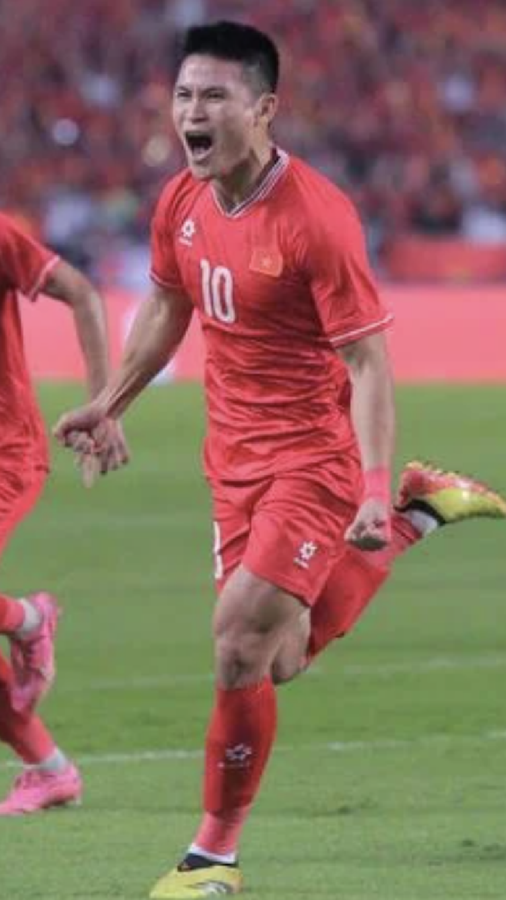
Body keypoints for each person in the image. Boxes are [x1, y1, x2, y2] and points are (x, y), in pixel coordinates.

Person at [53, 21, 506, 898]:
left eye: (214, 97)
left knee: (235, 645)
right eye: (184, 95)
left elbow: (368, 361)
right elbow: (169, 306)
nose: (193, 112)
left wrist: (366, 485)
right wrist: (110, 403)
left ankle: (211, 859)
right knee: (279, 659)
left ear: (263, 110)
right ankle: (421, 511)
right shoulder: (181, 202)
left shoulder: (316, 218)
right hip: (231, 457)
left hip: (312, 459)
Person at [0, 212, 128, 816]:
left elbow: (82, 293)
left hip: (6, 450)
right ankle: (49, 769)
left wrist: (104, 405)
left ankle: (29, 619)